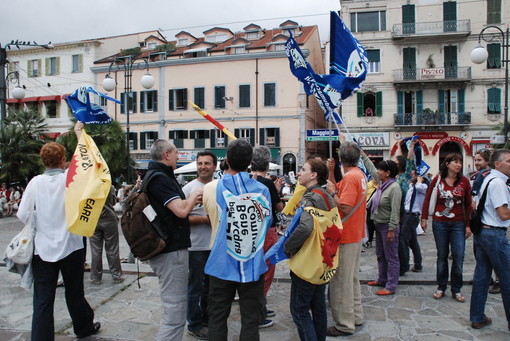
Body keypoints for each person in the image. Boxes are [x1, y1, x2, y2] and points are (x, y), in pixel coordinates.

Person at [17, 122, 100, 340]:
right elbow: (89, 165)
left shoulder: (35, 183)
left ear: (43, 161)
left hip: (42, 249)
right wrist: (79, 134)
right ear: (63, 160)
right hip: (71, 245)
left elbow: (22, 214)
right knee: (74, 292)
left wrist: (41, 222)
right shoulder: (70, 179)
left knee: (43, 299)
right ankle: (83, 328)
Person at [204, 139, 272, 341]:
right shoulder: (263, 190)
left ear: (226, 160)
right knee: (251, 319)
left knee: (217, 317)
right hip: (252, 263)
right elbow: (265, 224)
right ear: (250, 161)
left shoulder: (215, 187)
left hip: (221, 263)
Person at [145, 139, 203, 341]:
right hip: (170, 251)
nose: (179, 156)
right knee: (175, 310)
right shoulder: (160, 179)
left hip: (168, 249)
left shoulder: (155, 176)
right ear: (167, 155)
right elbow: (180, 211)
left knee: (174, 308)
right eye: (176, 153)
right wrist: (195, 193)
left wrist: (189, 202)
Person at [283, 158, 338, 341]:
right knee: (318, 306)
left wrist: (287, 247)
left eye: (303, 169)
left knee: (299, 309)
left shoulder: (309, 197)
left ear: (313, 175)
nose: (299, 173)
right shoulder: (327, 196)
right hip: (323, 259)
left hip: (308, 260)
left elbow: (305, 228)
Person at [325, 142, 366, 337]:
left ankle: (344, 324)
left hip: (346, 235)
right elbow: (338, 188)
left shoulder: (351, 178)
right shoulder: (358, 175)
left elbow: (345, 206)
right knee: (352, 279)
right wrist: (332, 173)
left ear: (342, 159)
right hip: (355, 233)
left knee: (341, 282)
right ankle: (356, 316)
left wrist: (332, 192)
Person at [421, 153, 472, 302]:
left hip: (458, 223)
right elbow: (428, 198)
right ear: (447, 164)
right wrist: (424, 218)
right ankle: (441, 286)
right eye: (455, 162)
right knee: (442, 256)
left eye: (460, 162)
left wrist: (468, 225)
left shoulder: (464, 181)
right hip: (440, 222)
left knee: (458, 256)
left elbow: (468, 205)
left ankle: (456, 288)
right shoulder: (438, 180)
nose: (459, 164)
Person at [469, 149, 510, 329]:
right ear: (497, 164)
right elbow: (502, 214)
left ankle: (477, 317)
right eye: (508, 161)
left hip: (483, 233)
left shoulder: (487, 179)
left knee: (482, 278)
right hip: (494, 234)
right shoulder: (498, 183)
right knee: (507, 279)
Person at [182, 150, 217, 340]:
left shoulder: (219, 187)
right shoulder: (188, 189)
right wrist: (204, 219)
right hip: (195, 246)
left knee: (210, 288)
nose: (203, 167)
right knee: (194, 287)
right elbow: (181, 218)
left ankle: (206, 319)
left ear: (215, 166)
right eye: (200, 163)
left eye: (207, 163)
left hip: (214, 246)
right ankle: (194, 324)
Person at [251, 146, 284, 327]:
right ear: (267, 163)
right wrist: (276, 189)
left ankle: (259, 306)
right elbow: (279, 207)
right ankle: (258, 312)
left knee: (256, 271)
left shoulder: (248, 180)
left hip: (252, 232)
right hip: (267, 230)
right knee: (267, 271)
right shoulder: (268, 183)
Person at [368, 160, 402, 295]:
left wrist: (392, 229)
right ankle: (382, 279)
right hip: (379, 224)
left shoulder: (394, 188)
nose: (378, 172)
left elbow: (395, 211)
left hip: (388, 226)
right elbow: (371, 169)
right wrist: (363, 154)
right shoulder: (383, 185)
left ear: (387, 173)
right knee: (381, 255)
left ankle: (391, 285)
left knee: (392, 257)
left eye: (380, 170)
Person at [89, 185, 124, 285]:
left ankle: (96, 277)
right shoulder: (109, 185)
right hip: (109, 218)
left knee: (95, 249)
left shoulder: (88, 185)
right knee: (112, 249)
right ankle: (117, 275)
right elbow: (113, 202)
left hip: (94, 219)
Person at [399, 169, 427, 274]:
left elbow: (420, 187)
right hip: (406, 214)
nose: (410, 176)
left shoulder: (422, 186)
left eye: (413, 174)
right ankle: (418, 264)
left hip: (413, 215)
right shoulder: (411, 186)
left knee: (404, 240)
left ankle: (404, 265)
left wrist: (420, 181)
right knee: (413, 242)